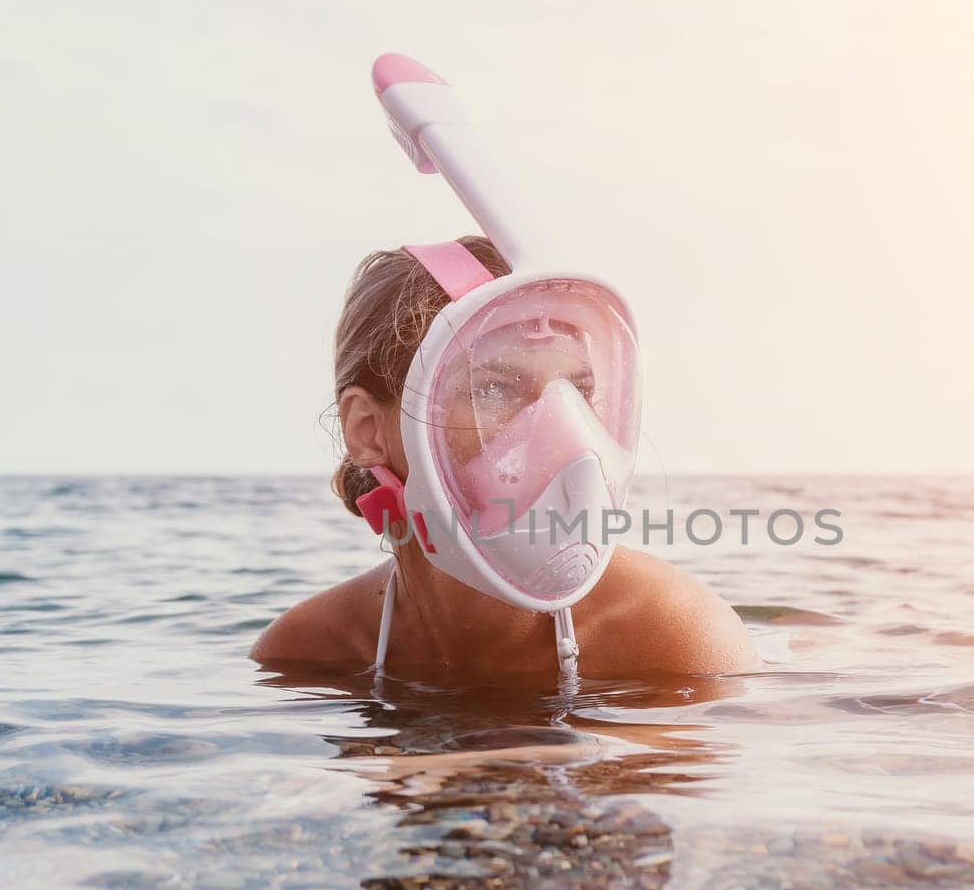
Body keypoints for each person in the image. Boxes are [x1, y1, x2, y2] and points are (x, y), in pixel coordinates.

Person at [250, 236, 758, 679]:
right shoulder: (308, 654)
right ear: (367, 429)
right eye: (493, 388)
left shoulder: (673, 638)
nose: (563, 433)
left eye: (578, 392)